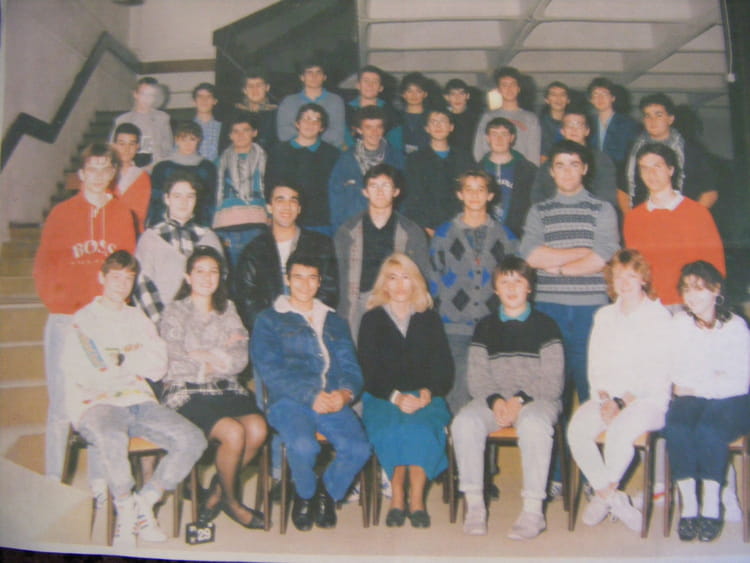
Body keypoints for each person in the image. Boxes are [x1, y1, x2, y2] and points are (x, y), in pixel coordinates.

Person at [62, 250, 206, 547]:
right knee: (112, 438)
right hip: (97, 403)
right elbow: (87, 373)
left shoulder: (138, 318)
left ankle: (145, 502)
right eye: (115, 277)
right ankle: (125, 507)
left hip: (139, 400)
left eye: (128, 278)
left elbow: (158, 367)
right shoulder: (83, 320)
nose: (122, 285)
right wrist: (132, 360)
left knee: (193, 438)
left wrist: (122, 359)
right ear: (101, 277)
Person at [34, 143, 136, 481]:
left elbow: (126, 269)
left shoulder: (122, 214)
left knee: (99, 403)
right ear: (81, 173)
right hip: (66, 319)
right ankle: (53, 480)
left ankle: (99, 487)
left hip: (104, 321)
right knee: (61, 403)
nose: (98, 175)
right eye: (92, 168)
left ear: (113, 173)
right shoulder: (61, 213)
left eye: (105, 168)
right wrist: (61, 306)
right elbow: (44, 266)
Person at [251, 252, 371, 531]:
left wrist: (345, 394)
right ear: (287, 279)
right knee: (304, 446)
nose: (305, 284)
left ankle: (326, 494)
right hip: (289, 399)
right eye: (298, 277)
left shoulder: (335, 321)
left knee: (359, 448)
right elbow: (270, 370)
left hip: (332, 398)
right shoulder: (269, 319)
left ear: (319, 282)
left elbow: (351, 367)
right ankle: (304, 494)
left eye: (312, 278)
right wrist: (309, 396)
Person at [451, 256, 564, 538]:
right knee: (464, 422)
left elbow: (553, 382)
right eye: (505, 282)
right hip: (494, 400)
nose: (512, 288)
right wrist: (496, 401)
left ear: (529, 287)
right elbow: (477, 378)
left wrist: (519, 400)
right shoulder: (485, 327)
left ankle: (533, 511)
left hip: (537, 399)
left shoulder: (547, 326)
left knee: (535, 425)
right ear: (495, 289)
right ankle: (475, 506)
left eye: (518, 281)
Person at [159, 246, 268, 530]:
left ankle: (217, 493)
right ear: (188, 276)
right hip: (185, 390)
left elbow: (240, 356)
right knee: (233, 432)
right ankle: (232, 503)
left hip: (225, 388)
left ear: (221, 277)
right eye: (200, 271)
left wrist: (204, 356)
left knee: (257, 428)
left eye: (214, 272)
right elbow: (173, 357)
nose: (207, 278)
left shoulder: (228, 309)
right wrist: (217, 357)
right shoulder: (174, 311)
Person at [567, 249, 672, 532]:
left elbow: (656, 373)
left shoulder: (658, 316)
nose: (624, 283)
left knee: (619, 431)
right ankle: (612, 498)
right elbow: (595, 366)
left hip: (646, 401)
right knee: (577, 430)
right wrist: (604, 399)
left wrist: (621, 402)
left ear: (643, 279)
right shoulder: (604, 316)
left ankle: (603, 495)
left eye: (631, 276)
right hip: (606, 398)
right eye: (618, 276)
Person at [358, 253, 453, 529]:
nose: (400, 285)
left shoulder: (429, 318)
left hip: (425, 396)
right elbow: (367, 370)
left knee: (420, 429)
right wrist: (396, 397)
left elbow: (444, 367)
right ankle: (398, 496)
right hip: (383, 397)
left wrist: (427, 392)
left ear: (415, 282)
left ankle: (418, 500)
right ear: (384, 284)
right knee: (393, 429)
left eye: (406, 277)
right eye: (392, 278)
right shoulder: (371, 320)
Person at [520, 140, 619, 404]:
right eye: (560, 165)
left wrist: (560, 269)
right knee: (552, 390)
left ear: (585, 168)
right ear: (551, 171)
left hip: (591, 309)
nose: (566, 172)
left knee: (592, 385)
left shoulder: (603, 209)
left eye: (574, 165)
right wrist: (582, 251)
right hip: (549, 308)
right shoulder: (539, 211)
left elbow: (602, 256)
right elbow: (531, 255)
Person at [664, 261, 750, 543]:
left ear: (715, 290)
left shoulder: (736, 327)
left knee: (709, 429)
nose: (691, 296)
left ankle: (712, 507)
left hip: (734, 400)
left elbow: (740, 381)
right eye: (687, 289)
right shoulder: (679, 324)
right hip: (697, 398)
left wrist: (699, 382)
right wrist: (713, 376)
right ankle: (690, 508)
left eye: (699, 288)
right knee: (676, 426)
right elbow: (676, 375)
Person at [429, 170, 516, 414]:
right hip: (453, 328)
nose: (474, 195)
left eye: (481, 189)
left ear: (490, 195)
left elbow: (514, 281)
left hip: (493, 327)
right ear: (460, 194)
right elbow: (433, 279)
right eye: (469, 189)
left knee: (490, 392)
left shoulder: (506, 236)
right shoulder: (444, 234)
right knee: (456, 390)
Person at [623, 143, 725, 308]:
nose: (651, 174)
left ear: (671, 170)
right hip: (650, 305)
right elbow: (633, 269)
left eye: (657, 166)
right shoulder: (633, 218)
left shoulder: (697, 212)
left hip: (690, 304)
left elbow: (715, 266)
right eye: (644, 168)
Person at [334, 163, 430, 336]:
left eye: (385, 185)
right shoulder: (347, 232)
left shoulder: (412, 232)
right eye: (373, 186)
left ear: (396, 191)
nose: (379, 192)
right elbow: (339, 278)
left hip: (397, 303)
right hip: (358, 304)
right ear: (365, 192)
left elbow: (422, 277)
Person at [235, 183, 338, 335]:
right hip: (270, 333)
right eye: (280, 200)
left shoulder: (320, 245)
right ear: (269, 207)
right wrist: (272, 327)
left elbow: (329, 291)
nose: (287, 206)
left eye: (293, 201)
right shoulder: (254, 250)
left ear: (299, 208)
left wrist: (306, 324)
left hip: (313, 328)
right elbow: (246, 300)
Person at [133, 172, 223, 324]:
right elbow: (142, 285)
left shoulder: (209, 237)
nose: (183, 202)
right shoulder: (150, 238)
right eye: (177, 196)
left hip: (202, 323)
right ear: (166, 199)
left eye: (190, 196)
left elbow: (219, 284)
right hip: (160, 323)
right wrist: (162, 324)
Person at [625, 93, 717, 211]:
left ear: (670, 119)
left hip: (682, 216)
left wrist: (689, 217)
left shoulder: (692, 151)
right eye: (648, 116)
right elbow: (623, 190)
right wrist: (631, 217)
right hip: (643, 216)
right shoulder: (632, 151)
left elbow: (710, 192)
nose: (652, 120)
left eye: (658, 115)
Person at [328, 106, 405, 234]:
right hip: (354, 229)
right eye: (368, 127)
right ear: (359, 130)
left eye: (378, 127)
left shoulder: (397, 159)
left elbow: (404, 200)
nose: (374, 132)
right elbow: (336, 200)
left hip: (389, 228)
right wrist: (339, 232)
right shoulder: (345, 160)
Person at [265, 103, 340, 235]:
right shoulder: (279, 151)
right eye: (306, 119)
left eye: (316, 120)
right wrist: (270, 215)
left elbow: (336, 190)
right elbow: (269, 185)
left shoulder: (332, 154)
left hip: (320, 222)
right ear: (297, 123)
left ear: (322, 127)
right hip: (286, 219)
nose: (310, 124)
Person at [402, 108, 475, 235]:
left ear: (451, 127)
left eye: (443, 121)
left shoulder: (464, 158)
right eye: (433, 122)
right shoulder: (415, 160)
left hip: (460, 227)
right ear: (426, 128)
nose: (438, 125)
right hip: (426, 229)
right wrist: (425, 227)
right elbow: (411, 199)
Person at [532, 108, 619, 213]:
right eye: (569, 125)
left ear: (587, 131)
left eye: (579, 125)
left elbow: (607, 199)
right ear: (562, 131)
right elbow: (538, 196)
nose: (574, 129)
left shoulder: (601, 160)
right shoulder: (551, 161)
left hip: (590, 215)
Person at [213, 113, 269, 269]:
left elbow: (272, 192)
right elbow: (212, 197)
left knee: (256, 272)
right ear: (230, 135)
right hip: (226, 226)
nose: (240, 135)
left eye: (245, 130)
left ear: (254, 133)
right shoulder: (219, 162)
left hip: (257, 224)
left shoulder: (266, 160)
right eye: (236, 131)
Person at [586, 77, 640, 214]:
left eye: (604, 94)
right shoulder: (587, 123)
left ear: (613, 98)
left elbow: (630, 157)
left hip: (619, 183)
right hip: (593, 184)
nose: (600, 98)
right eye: (595, 95)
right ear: (591, 100)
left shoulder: (628, 124)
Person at [148, 121, 217, 228]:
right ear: (176, 140)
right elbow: (156, 202)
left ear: (199, 140)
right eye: (183, 139)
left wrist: (205, 226)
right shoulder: (162, 168)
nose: (187, 144)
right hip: (165, 223)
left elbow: (210, 202)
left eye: (192, 139)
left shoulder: (207, 167)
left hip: (198, 224)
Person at [477, 117, 537, 239]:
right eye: (494, 134)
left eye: (504, 134)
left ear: (512, 138)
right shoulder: (476, 171)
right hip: (483, 237)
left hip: (518, 237)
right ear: (487, 138)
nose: (499, 139)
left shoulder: (529, 171)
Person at [473, 67, 541, 165]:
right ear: (498, 90)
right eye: (504, 85)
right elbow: (479, 150)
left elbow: (534, 153)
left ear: (518, 88)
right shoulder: (488, 117)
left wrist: (529, 171)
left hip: (521, 170)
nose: (509, 89)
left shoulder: (530, 119)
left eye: (513, 84)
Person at [276, 60, 346, 148]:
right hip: (294, 150)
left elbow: (337, 134)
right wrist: (307, 140)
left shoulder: (335, 101)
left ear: (324, 77)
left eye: (318, 72)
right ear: (302, 77)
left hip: (326, 150)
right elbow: (284, 134)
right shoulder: (289, 102)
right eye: (309, 72)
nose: (314, 76)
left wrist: (311, 140)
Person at [111, 77, 173, 168]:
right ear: (135, 94)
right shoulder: (122, 120)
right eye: (143, 94)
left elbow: (168, 148)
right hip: (130, 168)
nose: (146, 99)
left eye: (151, 95)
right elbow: (113, 148)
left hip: (157, 167)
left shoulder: (162, 118)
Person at [344, 65, 402, 151]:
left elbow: (396, 144)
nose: (370, 85)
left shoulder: (390, 112)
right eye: (366, 81)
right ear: (358, 85)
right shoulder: (346, 110)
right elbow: (344, 139)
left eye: (375, 82)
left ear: (381, 88)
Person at [111, 122, 152, 234]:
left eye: (131, 144)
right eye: (122, 144)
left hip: (131, 232)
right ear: (114, 145)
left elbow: (139, 214)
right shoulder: (104, 174)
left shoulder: (142, 177)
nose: (126, 149)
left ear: (138, 146)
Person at [234, 69, 278, 152]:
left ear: (267, 87)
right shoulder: (234, 113)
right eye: (250, 86)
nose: (255, 90)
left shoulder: (276, 114)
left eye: (259, 85)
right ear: (244, 90)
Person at [398, 72, 432, 155]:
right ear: (403, 94)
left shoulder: (432, 117)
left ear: (425, 94)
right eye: (409, 91)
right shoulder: (396, 116)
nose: (414, 95)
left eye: (418, 91)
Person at [444, 78, 480, 154]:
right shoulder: (443, 119)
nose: (457, 98)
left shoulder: (477, 119)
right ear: (447, 97)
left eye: (461, 94)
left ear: (467, 96)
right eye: (453, 94)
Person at [192, 82, 224, 162]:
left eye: (208, 96)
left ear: (215, 101)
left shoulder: (223, 128)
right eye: (200, 96)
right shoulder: (185, 128)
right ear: (194, 101)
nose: (204, 100)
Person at [539, 81, 569, 162]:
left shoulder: (573, 124)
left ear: (568, 100)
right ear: (547, 100)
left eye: (562, 95)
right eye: (554, 95)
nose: (558, 98)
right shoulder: (539, 124)